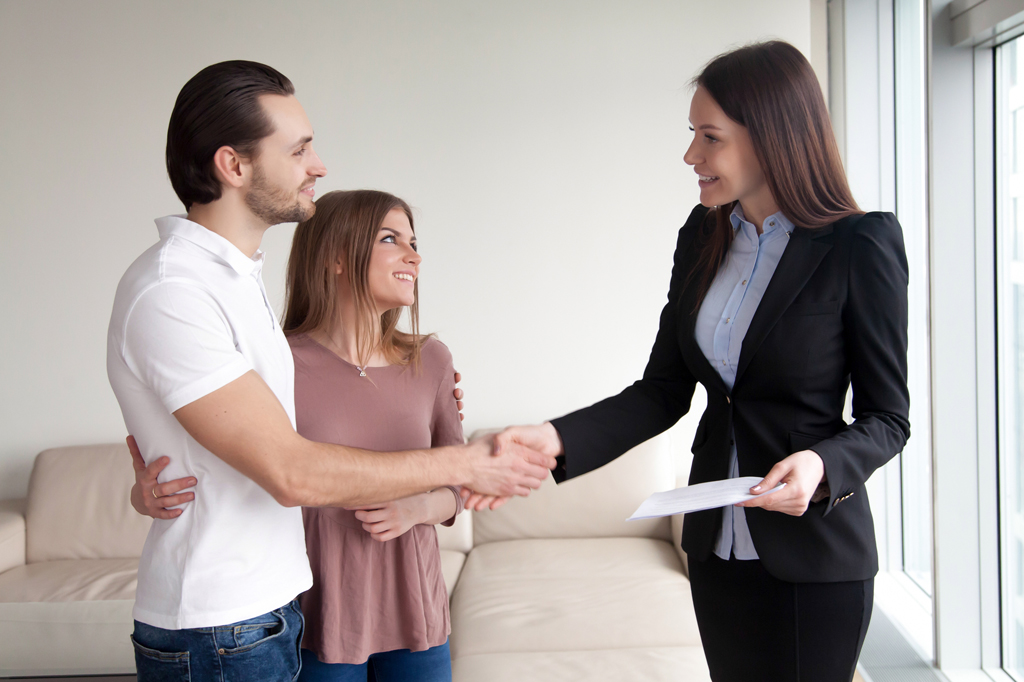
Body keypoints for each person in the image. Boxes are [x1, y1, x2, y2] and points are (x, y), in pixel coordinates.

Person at [107, 60, 554, 682]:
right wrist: (471, 462)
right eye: (299, 150)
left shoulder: (236, 281)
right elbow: (291, 470)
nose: (317, 166)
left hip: (266, 613)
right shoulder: (173, 290)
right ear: (234, 166)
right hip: (222, 625)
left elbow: (239, 441)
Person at [481, 41, 910, 681]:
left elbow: (887, 419)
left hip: (815, 558)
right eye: (692, 135)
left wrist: (822, 464)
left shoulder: (859, 244)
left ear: (772, 137)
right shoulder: (702, 234)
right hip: (714, 549)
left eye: (709, 137)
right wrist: (553, 438)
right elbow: (662, 390)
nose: (691, 156)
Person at [133, 189, 467, 681]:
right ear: (334, 255)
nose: (414, 256)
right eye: (391, 239)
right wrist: (146, 494)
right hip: (316, 611)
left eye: (414, 242)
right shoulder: (275, 362)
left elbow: (459, 479)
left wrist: (418, 508)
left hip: (415, 606)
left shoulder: (432, 361)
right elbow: (234, 463)